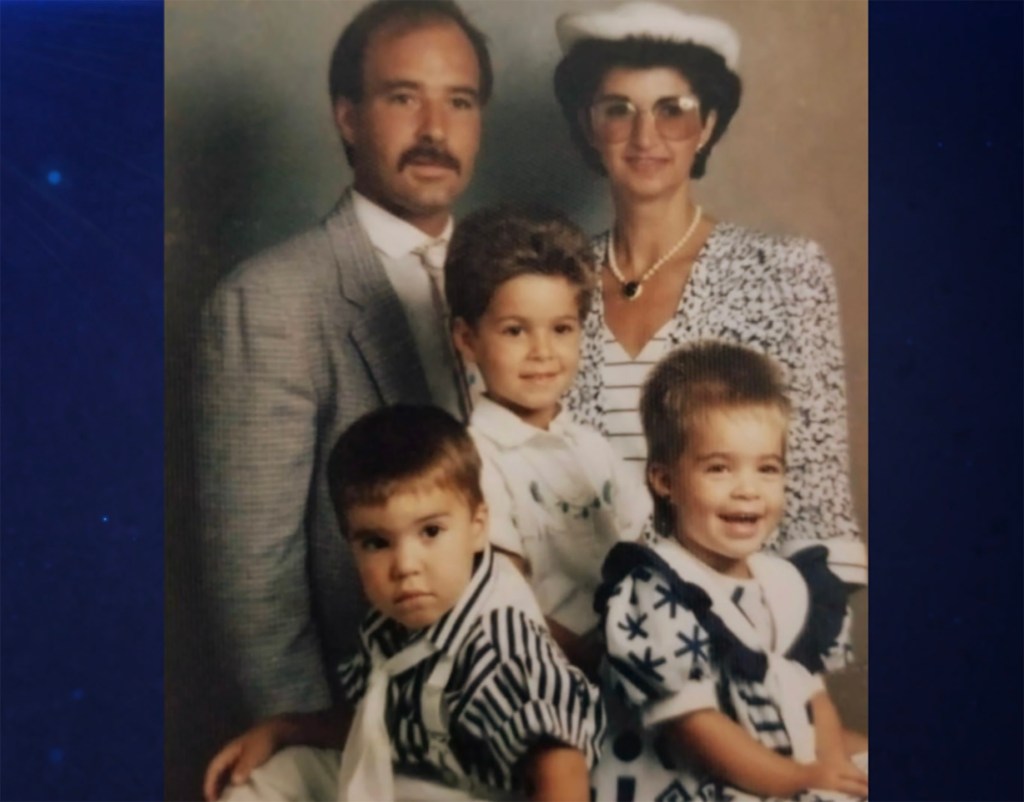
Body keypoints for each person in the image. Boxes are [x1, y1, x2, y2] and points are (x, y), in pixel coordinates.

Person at [195, 0, 491, 721]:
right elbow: (253, 587)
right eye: (402, 97)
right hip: (368, 730)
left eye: (459, 100)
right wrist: (319, 751)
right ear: (348, 117)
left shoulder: (509, 283)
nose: (434, 129)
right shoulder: (269, 302)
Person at [552, 2, 867, 596]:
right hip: (578, 647)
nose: (646, 136)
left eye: (674, 110)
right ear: (589, 126)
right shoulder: (553, 287)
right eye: (618, 110)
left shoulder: (782, 272)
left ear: (710, 125)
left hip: (742, 642)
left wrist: (771, 661)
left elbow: (819, 512)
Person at [202, 405, 605, 802]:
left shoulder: (498, 644)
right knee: (271, 777)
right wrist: (284, 729)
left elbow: (562, 768)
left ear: (478, 527)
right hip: (416, 774)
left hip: (484, 792)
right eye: (377, 543)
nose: (405, 566)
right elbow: (374, 724)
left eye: (430, 531)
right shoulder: (392, 622)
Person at [593, 341, 869, 802]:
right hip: (693, 778)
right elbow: (696, 730)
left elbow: (810, 696)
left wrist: (830, 768)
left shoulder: (784, 584)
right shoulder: (656, 590)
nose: (748, 491)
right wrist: (795, 781)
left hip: (780, 763)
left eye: (767, 469)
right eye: (719, 468)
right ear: (665, 481)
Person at [445, 205, 651, 674]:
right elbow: (509, 607)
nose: (542, 352)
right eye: (515, 331)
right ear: (467, 339)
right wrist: (603, 667)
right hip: (546, 674)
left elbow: (642, 556)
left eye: (561, 329)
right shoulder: (474, 460)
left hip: (628, 654)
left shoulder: (591, 448)